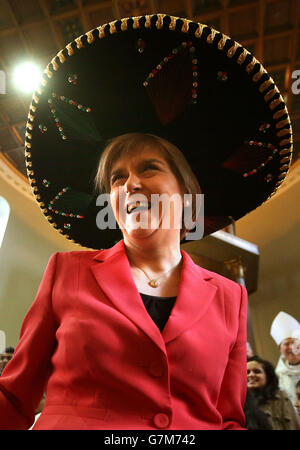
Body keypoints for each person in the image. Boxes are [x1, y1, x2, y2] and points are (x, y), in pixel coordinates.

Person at [0, 13, 292, 430]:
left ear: (186, 192)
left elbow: (228, 419)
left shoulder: (231, 298)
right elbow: (12, 397)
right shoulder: (66, 273)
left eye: (149, 168)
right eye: (117, 178)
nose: (130, 184)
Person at [247, 355, 300, 430]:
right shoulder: (240, 400)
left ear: (267, 376)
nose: (251, 375)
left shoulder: (280, 395)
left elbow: (293, 425)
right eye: (247, 372)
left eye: (257, 371)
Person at [270, 311, 300, 404]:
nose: (291, 347)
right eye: (286, 343)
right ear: (279, 348)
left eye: (294, 342)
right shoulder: (278, 376)